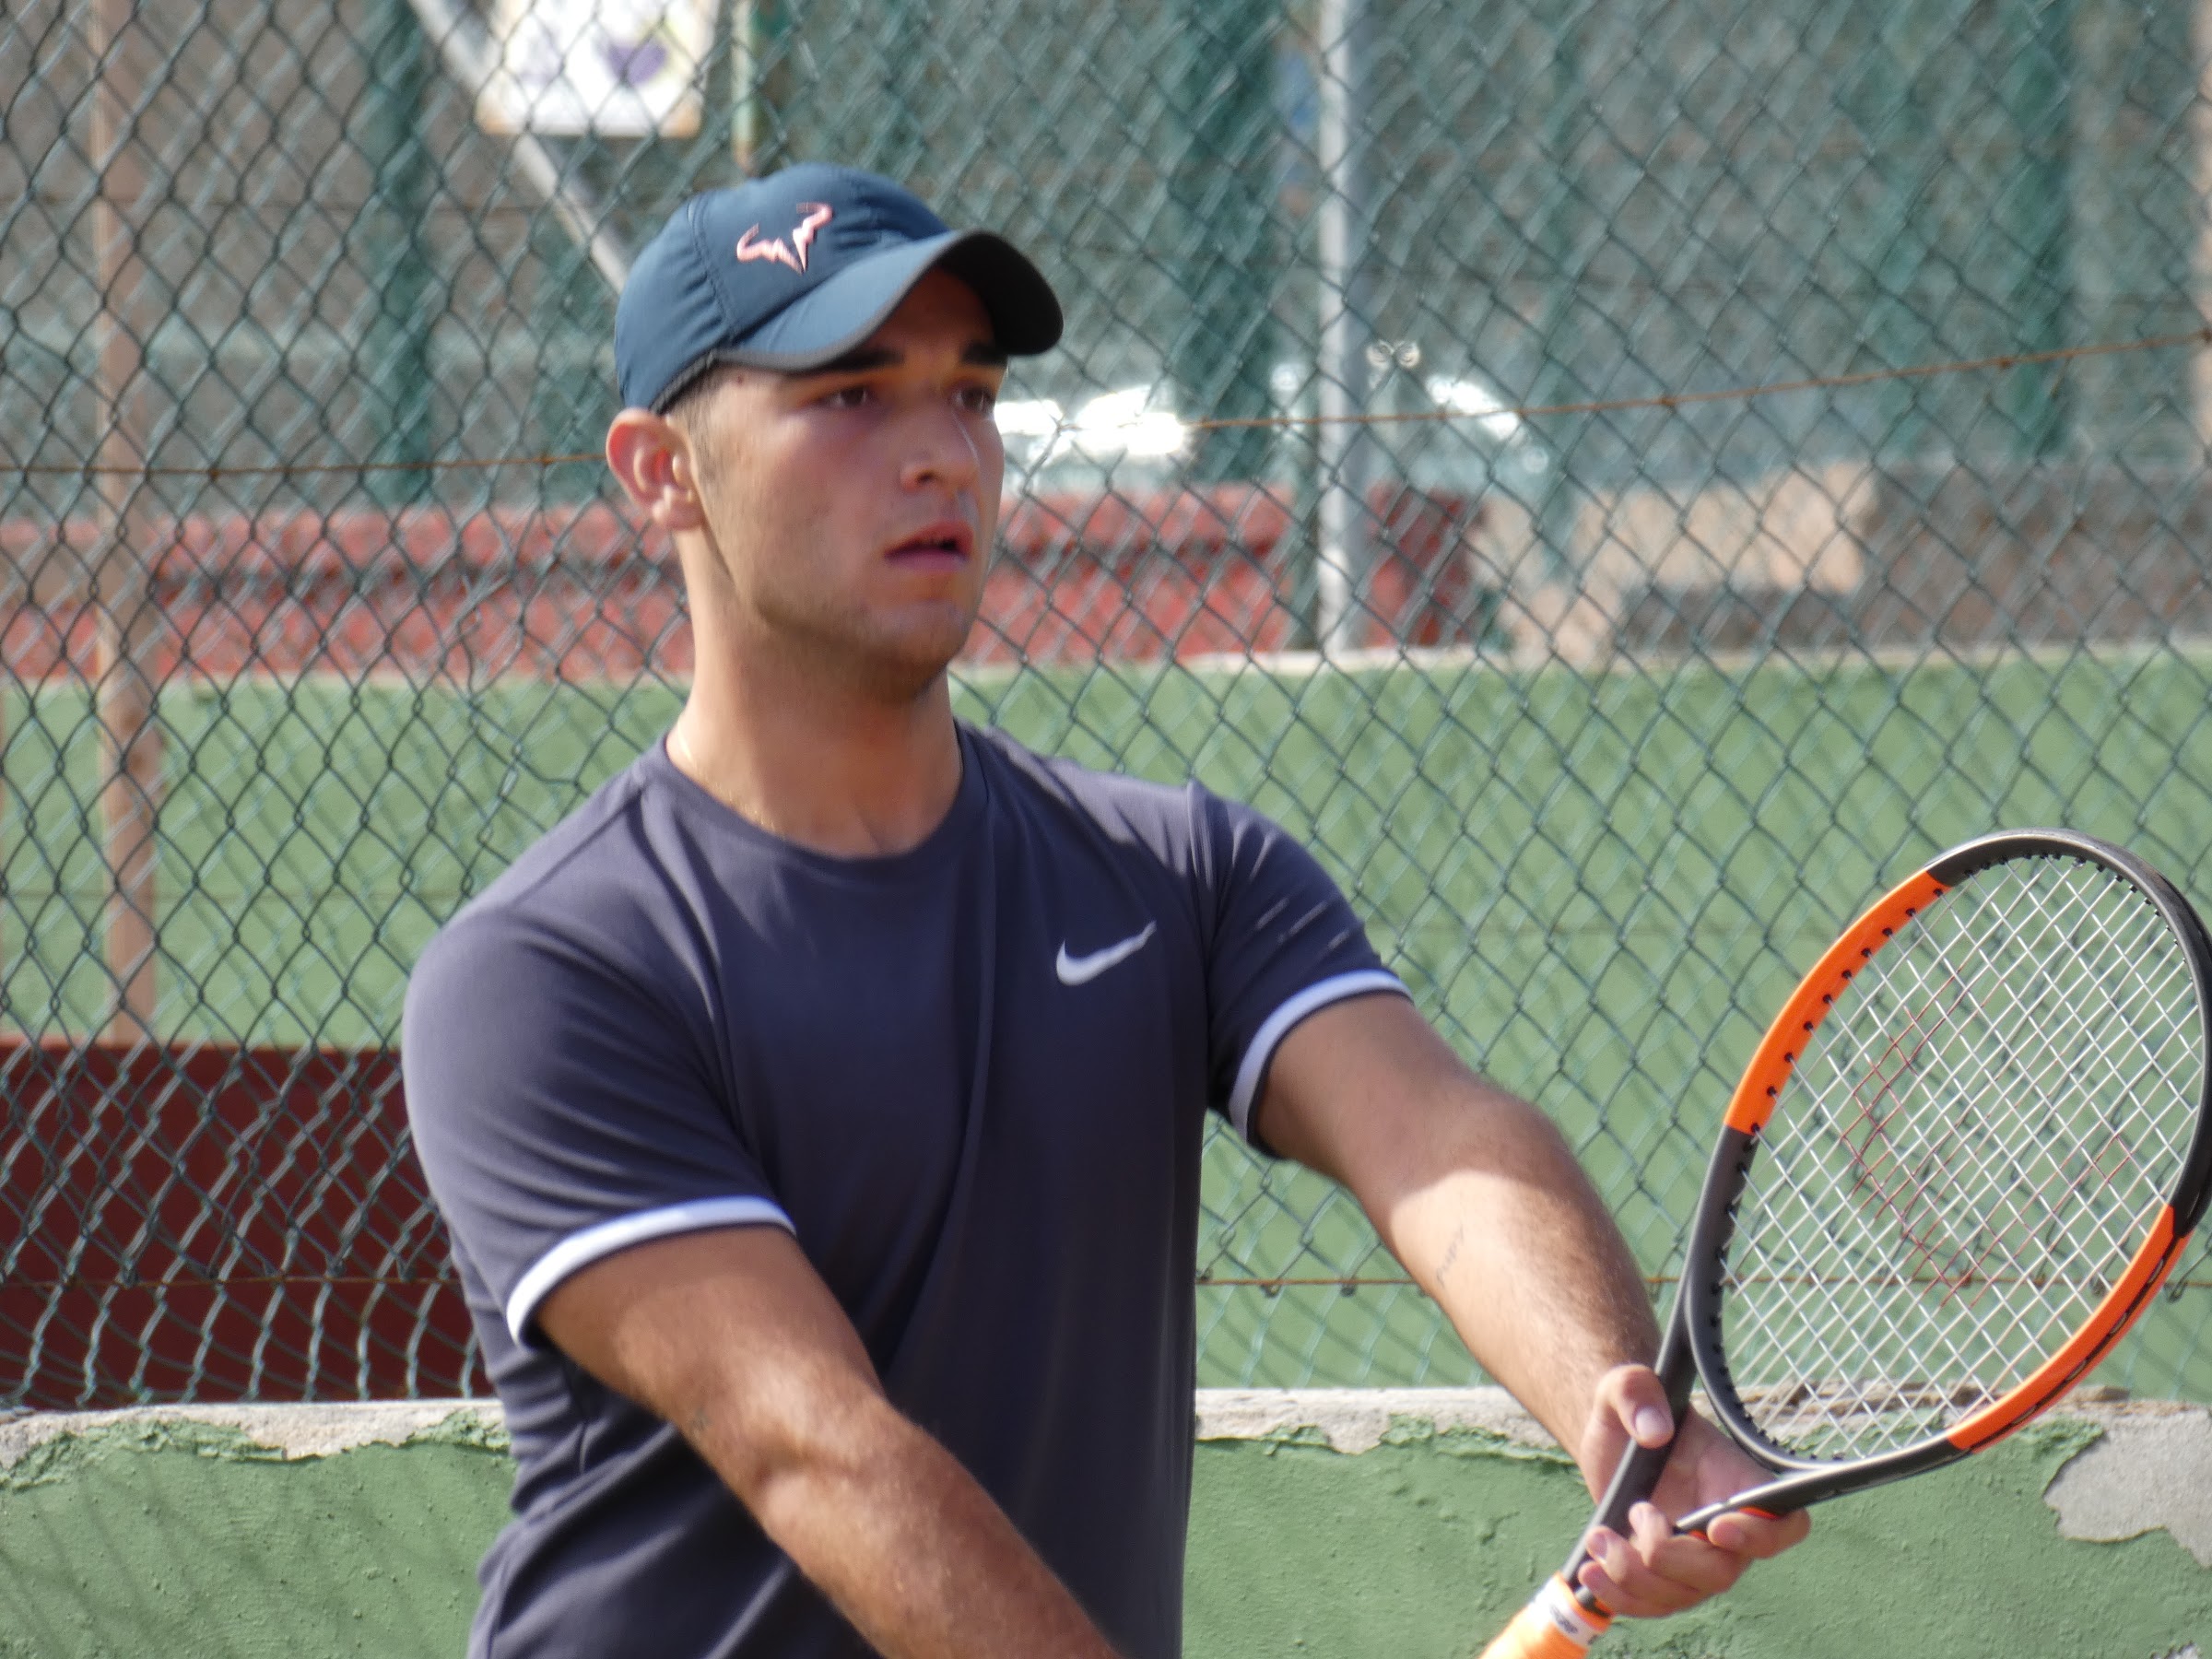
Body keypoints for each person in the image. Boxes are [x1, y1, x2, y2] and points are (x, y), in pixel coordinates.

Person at [401, 161, 1807, 1659]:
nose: (942, 454)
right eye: (853, 399)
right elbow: (817, 1448)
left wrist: (1621, 1407)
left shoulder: (1181, 876)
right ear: (660, 470)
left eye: (971, 398)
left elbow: (1438, 1142)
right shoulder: (549, 976)